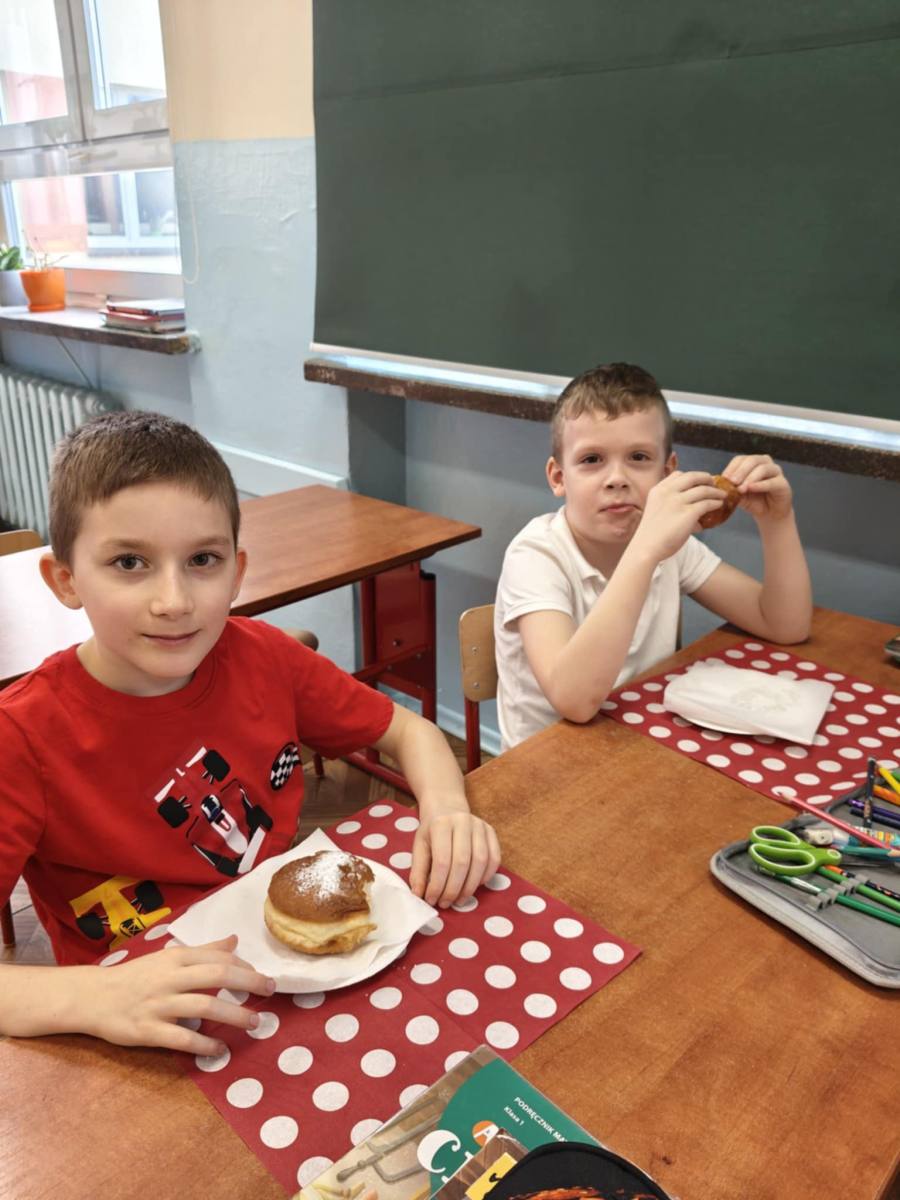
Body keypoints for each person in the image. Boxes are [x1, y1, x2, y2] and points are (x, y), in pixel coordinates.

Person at [0, 411, 500, 1054]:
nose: (174, 600)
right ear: (66, 580)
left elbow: (409, 730)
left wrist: (447, 806)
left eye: (202, 560)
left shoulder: (265, 658)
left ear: (236, 574)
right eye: (129, 562)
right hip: (137, 1026)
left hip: (295, 978)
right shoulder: (22, 737)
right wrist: (89, 996)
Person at [495, 362, 812, 751]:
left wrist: (777, 522)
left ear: (667, 472)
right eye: (591, 459)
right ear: (559, 477)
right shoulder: (536, 555)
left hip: (642, 744)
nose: (617, 478)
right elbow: (574, 700)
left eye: (639, 457)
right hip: (546, 765)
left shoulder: (670, 547)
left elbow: (783, 624)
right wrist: (645, 551)